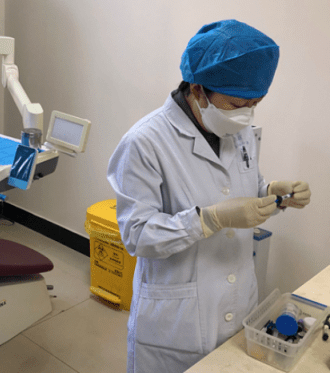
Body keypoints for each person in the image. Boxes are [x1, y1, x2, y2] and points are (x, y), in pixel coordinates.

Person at [107, 19, 311, 373]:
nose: (246, 114)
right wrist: (208, 220)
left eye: (255, 103)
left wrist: (272, 193)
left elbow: (240, 189)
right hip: (177, 321)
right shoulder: (145, 142)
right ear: (198, 90)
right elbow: (137, 235)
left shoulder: (237, 129)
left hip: (238, 302)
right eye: (237, 103)